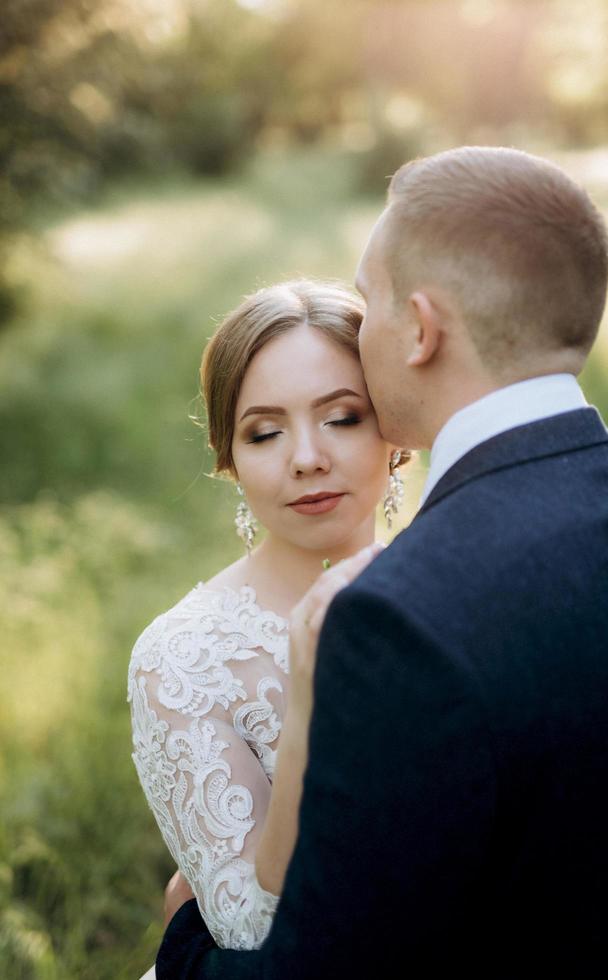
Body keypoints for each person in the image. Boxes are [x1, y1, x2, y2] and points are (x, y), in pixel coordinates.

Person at [152, 145, 608, 979]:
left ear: (418, 329)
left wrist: (184, 945)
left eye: (370, 298)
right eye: (265, 429)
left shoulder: (398, 616)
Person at [127, 280, 409, 977]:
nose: (306, 457)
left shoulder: (465, 590)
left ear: (396, 432)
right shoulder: (183, 659)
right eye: (265, 431)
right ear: (229, 456)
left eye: (342, 417)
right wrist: (312, 697)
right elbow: (251, 931)